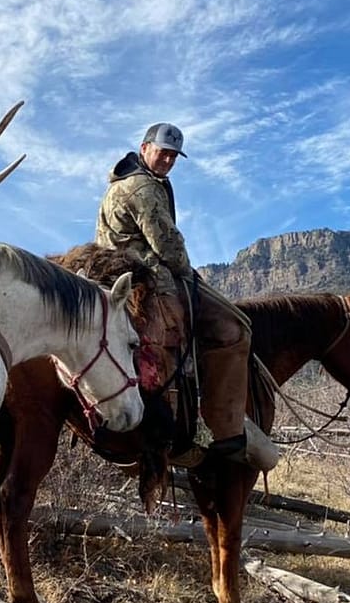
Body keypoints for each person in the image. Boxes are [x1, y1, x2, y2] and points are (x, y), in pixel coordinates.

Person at [95, 122, 251, 447]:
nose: (168, 161)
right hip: (147, 275)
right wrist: (187, 271)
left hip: (116, 270)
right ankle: (212, 423)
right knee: (231, 326)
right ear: (144, 148)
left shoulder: (124, 183)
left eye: (173, 157)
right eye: (163, 153)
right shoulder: (144, 188)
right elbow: (166, 243)